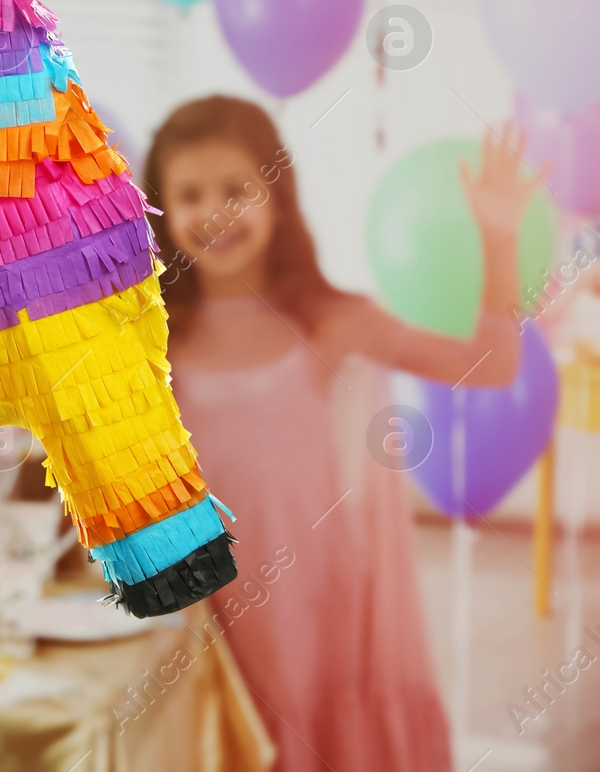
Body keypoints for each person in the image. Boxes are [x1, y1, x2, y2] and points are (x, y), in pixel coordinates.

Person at [145, 96, 536, 772]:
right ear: (161, 209)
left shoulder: (334, 321)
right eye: (189, 194)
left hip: (324, 610)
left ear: (278, 195)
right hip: (212, 615)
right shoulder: (154, 345)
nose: (215, 212)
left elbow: (492, 365)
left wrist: (499, 239)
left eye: (237, 189)